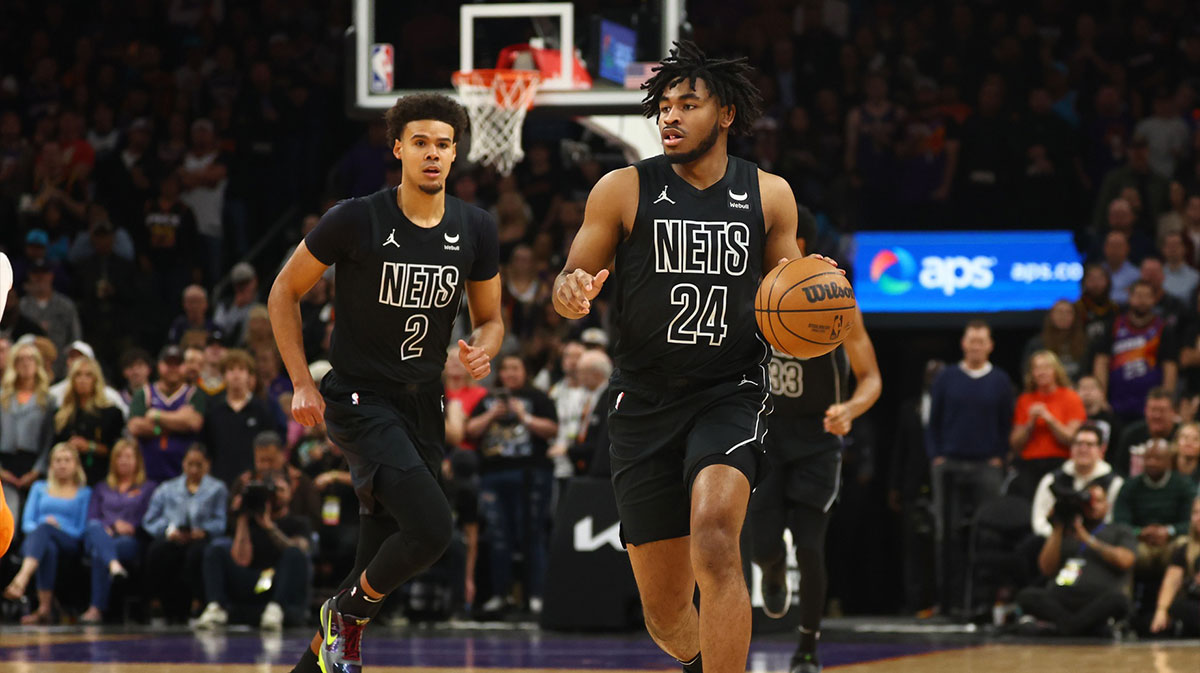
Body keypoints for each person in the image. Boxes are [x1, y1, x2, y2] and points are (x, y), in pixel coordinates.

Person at [552, 41, 827, 673]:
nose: (670, 117)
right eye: (664, 106)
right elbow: (572, 282)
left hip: (728, 392)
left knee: (715, 537)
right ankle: (704, 659)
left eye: (688, 104)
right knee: (667, 614)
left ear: (726, 114)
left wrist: (817, 293)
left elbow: (789, 289)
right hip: (643, 401)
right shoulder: (621, 189)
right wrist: (571, 293)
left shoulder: (769, 194)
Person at [269, 92, 502, 673]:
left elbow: (492, 319)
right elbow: (283, 291)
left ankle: (323, 647)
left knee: (373, 556)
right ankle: (343, 617)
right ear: (398, 148)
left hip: (423, 405)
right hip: (357, 399)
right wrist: (301, 382)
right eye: (420, 142)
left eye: (443, 145)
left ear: (455, 155)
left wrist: (485, 350)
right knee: (431, 529)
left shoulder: (476, 227)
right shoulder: (356, 217)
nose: (432, 154)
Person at [748, 208, 881, 673]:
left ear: (800, 244)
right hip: (765, 433)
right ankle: (768, 568)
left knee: (809, 545)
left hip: (817, 437)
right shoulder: (753, 292)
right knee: (762, 543)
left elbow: (871, 379)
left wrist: (851, 409)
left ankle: (807, 649)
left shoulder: (835, 300)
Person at [927, 321, 1014, 615]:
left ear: (990, 345)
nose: (976, 346)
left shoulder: (1000, 380)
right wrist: (936, 455)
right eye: (972, 341)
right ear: (963, 344)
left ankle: (983, 602)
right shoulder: (947, 377)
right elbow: (933, 420)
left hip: (986, 465)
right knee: (945, 534)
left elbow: (1007, 423)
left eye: (982, 341)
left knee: (988, 533)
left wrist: (1000, 456)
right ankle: (946, 601)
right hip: (948, 463)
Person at [465, 355, 558, 614]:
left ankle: (536, 595)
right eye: (505, 368)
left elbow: (552, 429)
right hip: (493, 476)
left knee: (532, 535)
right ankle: (500, 594)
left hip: (531, 475)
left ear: (524, 371)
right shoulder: (487, 400)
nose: (510, 373)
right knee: (498, 537)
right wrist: (491, 414)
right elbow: (469, 430)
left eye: (515, 368)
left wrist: (524, 417)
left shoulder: (537, 397)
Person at [195, 470, 312, 630]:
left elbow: (300, 551)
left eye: (280, 490)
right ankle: (216, 607)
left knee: (294, 552)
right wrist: (242, 517)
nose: (275, 496)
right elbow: (241, 560)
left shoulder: (299, 523)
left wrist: (270, 527)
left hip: (277, 584)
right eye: (272, 491)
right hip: (256, 584)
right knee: (216, 550)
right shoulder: (250, 521)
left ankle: (275, 608)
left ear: (290, 493)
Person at [1015, 483, 1137, 637]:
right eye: (1088, 502)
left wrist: (1086, 537)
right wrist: (1057, 527)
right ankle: (1081, 628)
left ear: (1108, 505)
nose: (1093, 506)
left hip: (1097, 599)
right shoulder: (1065, 533)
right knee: (1027, 595)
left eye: (1098, 501)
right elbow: (1047, 569)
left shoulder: (1119, 530)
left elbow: (1125, 561)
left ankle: (1062, 629)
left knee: (1119, 600)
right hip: (1062, 599)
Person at [2, 443, 91, 624]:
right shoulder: (39, 488)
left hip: (69, 541)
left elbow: (80, 529)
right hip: (37, 540)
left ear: (76, 465)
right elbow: (27, 523)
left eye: (67, 460)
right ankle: (45, 609)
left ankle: (22, 578)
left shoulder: (84, 492)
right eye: (58, 460)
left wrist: (56, 528)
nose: (62, 464)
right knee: (47, 544)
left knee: (46, 531)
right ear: (51, 465)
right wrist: (45, 528)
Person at [142, 444, 227, 623]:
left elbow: (221, 522)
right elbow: (149, 520)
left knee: (197, 554)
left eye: (199, 464)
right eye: (190, 464)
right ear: (183, 464)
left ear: (208, 465)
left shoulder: (218, 489)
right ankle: (162, 604)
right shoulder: (167, 488)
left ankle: (197, 604)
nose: (194, 469)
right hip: (172, 537)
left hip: (201, 539)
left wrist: (204, 531)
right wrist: (168, 530)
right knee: (157, 551)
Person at [80, 439, 156, 623]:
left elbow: (148, 517)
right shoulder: (101, 487)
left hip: (129, 540)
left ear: (137, 460)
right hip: (100, 534)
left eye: (128, 456)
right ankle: (114, 566)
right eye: (119, 456)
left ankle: (96, 608)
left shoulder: (148, 488)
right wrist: (113, 527)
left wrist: (132, 526)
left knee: (100, 552)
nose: (123, 461)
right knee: (94, 529)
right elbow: (92, 518)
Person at [1093, 280, 1179, 423]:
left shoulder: (1163, 329)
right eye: (1138, 295)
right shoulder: (1114, 325)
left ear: (1154, 299)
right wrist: (1101, 396)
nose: (1142, 301)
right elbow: (1101, 361)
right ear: (1130, 297)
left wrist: (1166, 400)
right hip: (1116, 404)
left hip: (1150, 407)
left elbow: (1170, 367)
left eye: (1147, 296)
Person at [1010, 351, 1087, 498]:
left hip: (1061, 463)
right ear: (1032, 373)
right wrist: (1030, 423)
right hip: (1030, 464)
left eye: (1046, 367)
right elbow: (1015, 443)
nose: (1042, 372)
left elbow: (1071, 439)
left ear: (1056, 371)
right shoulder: (1024, 400)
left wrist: (1049, 419)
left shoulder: (1071, 397)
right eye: (1037, 368)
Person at [1113, 442, 1197, 576]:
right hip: (1140, 542)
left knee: (1185, 545)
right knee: (1124, 550)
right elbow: (1120, 522)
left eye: (1157, 458)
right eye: (1148, 458)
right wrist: (1139, 532)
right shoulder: (1130, 486)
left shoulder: (1183, 486)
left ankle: (1182, 595)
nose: (1152, 463)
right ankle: (1122, 596)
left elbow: (1192, 522)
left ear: (1169, 461)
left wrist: (1169, 531)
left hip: (1172, 541)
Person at [126, 345, 206, 482]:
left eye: (178, 364)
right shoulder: (144, 393)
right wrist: (177, 422)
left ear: (184, 366)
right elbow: (135, 427)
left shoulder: (194, 394)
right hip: (147, 476)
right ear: (159, 365)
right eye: (168, 363)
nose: (173, 368)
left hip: (184, 477)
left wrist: (156, 415)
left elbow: (193, 422)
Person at [1031, 424, 1125, 539]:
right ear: (1071, 447)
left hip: (1098, 543)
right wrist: (1060, 537)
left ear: (1102, 449)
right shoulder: (1052, 479)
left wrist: (1087, 539)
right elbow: (1039, 520)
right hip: (1054, 540)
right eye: (1078, 444)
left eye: (1090, 444)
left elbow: (1112, 520)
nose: (1083, 449)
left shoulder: (1114, 482)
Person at [1, 340, 56, 529]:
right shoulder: (2, 396)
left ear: (38, 364)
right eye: (21, 359)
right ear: (14, 364)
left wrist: (37, 471)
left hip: (34, 466)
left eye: (31, 359)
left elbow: (49, 439)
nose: (26, 363)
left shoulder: (48, 400)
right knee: (7, 518)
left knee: (32, 519)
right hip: (5, 465)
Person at [203, 349, 278, 487]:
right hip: (220, 479)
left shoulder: (261, 408)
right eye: (231, 370)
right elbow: (207, 446)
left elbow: (270, 444)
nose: (236, 375)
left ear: (249, 375)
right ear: (224, 376)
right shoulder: (214, 409)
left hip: (254, 479)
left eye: (241, 369)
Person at [51, 356, 125, 485]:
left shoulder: (111, 413)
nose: (83, 380)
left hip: (100, 477)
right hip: (65, 480)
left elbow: (117, 449)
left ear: (96, 379)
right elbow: (52, 446)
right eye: (78, 375)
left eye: (88, 375)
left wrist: (90, 447)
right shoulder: (60, 414)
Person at [1149, 496, 1200, 636]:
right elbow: (1171, 581)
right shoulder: (1185, 548)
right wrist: (1161, 610)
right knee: (1178, 606)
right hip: (1195, 606)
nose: (1198, 517)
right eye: (1195, 513)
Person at [1110, 387, 1178, 478]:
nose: (1157, 415)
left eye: (1162, 410)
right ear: (1145, 411)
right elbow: (1119, 469)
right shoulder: (1131, 434)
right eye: (1153, 410)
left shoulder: (1182, 435)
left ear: (1173, 412)